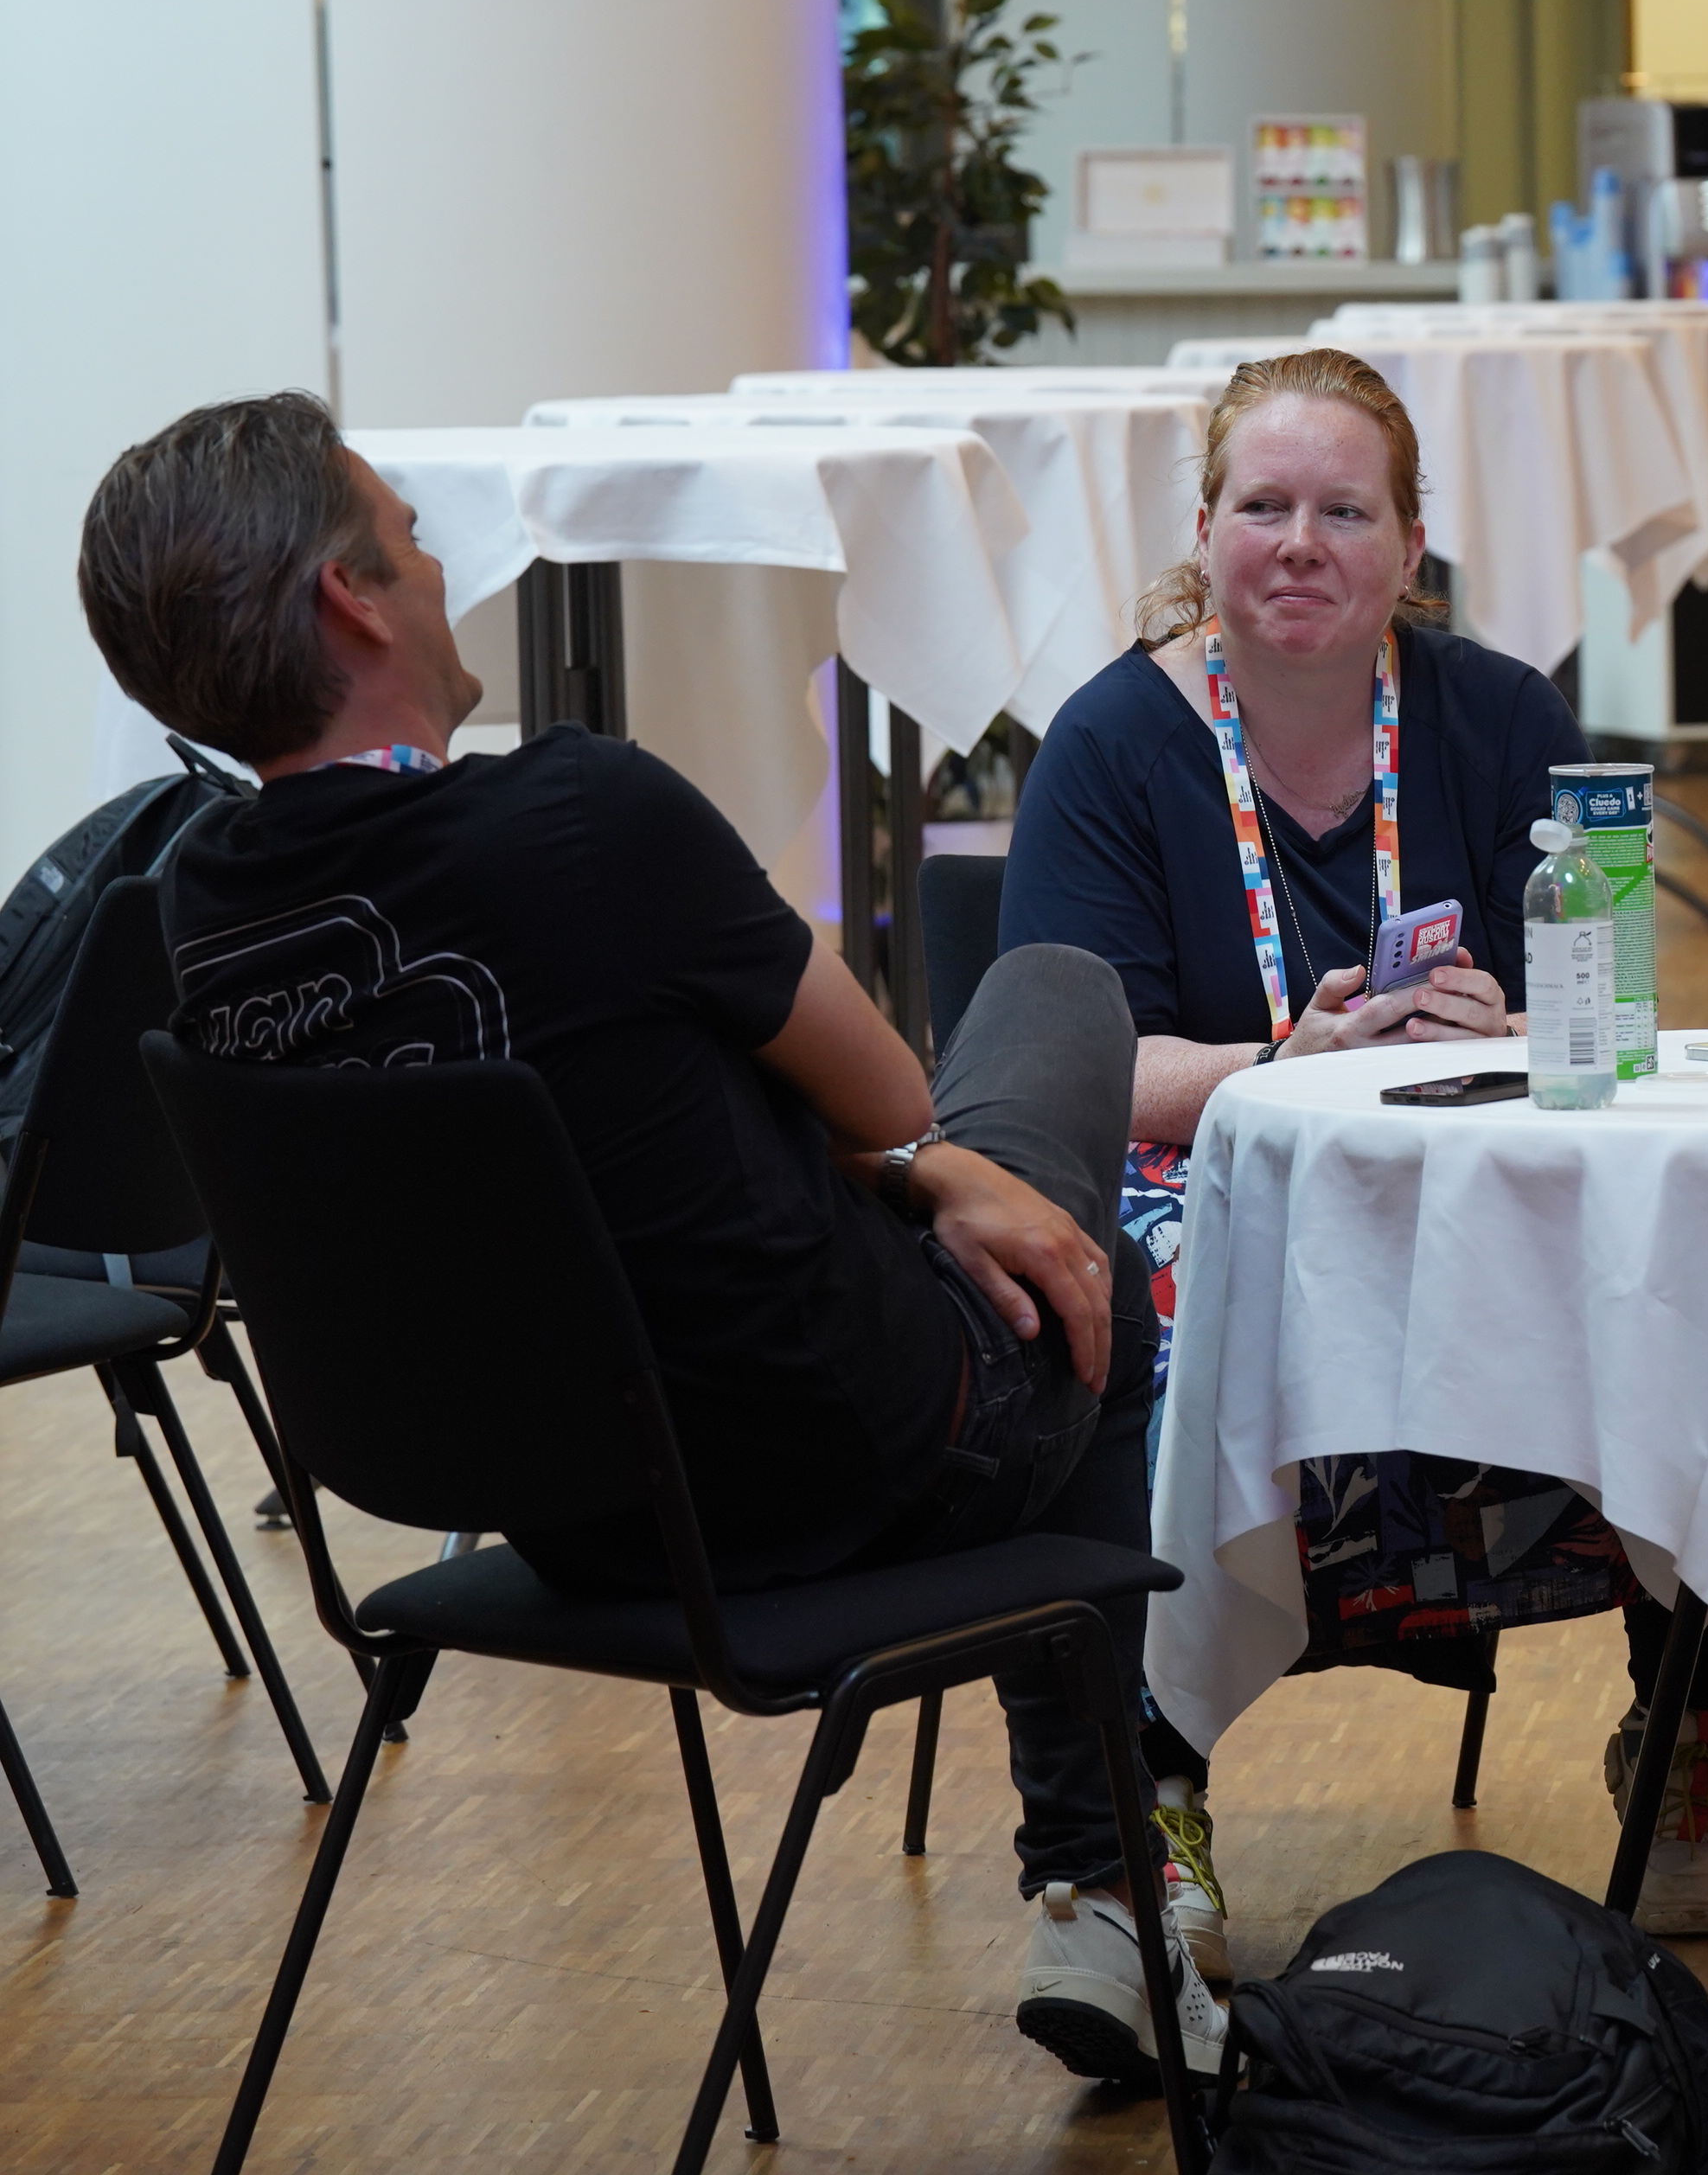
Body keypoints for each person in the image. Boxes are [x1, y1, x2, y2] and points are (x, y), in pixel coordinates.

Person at [74, 393, 1231, 2088]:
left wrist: (915, 1166)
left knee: (977, 1198)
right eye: (412, 537)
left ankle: (1104, 1882)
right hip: (850, 1450)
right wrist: (927, 1160)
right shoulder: (582, 813)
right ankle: (1103, 1876)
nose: (440, 565)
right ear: (351, 597)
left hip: (568, 1511)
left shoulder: (204, 903)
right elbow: (884, 1083)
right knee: (1062, 1086)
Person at [1001, 348, 1708, 1943]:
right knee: (1129, 1304)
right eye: (1263, 507)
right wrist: (1286, 1066)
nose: (1300, 544)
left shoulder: (1501, 712)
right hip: (1215, 1177)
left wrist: (1519, 1023)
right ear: (1205, 532)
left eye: (1344, 511)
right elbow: (1087, 1064)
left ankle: (1691, 1729)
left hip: (1475, 1166)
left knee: (1700, 1264)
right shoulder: (1109, 742)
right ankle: (1151, 1791)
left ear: (1410, 544)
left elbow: (1619, 1009)